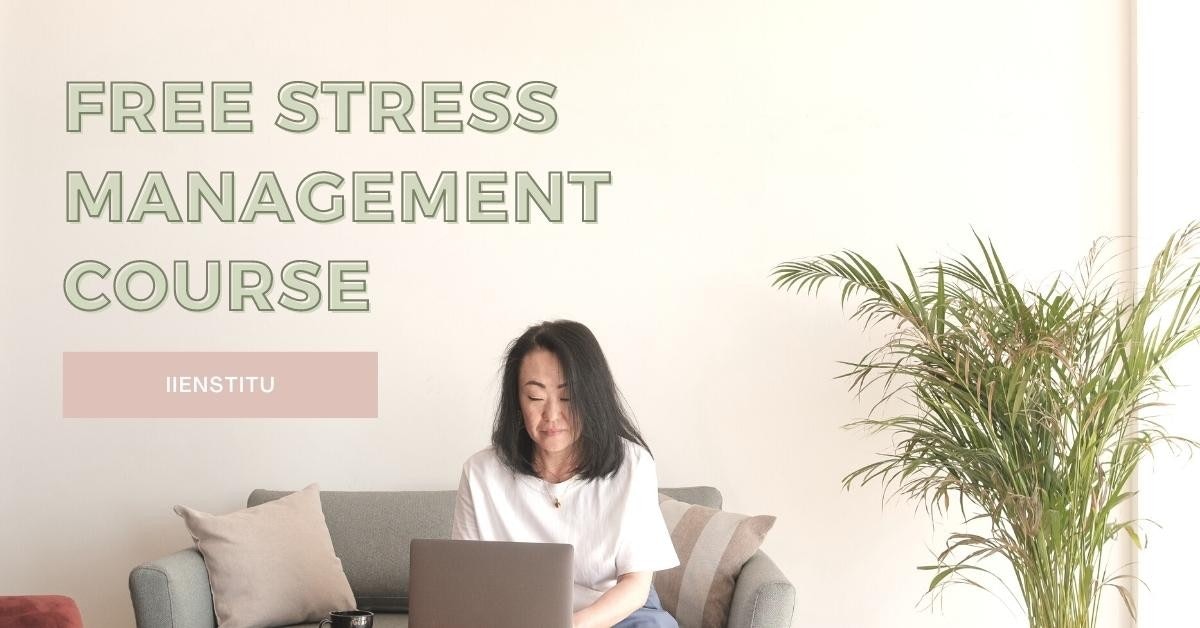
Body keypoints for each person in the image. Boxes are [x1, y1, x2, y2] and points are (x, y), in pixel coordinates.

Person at [451, 320, 680, 628]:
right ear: (517, 401)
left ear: (591, 396)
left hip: (614, 611)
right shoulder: (481, 474)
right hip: (519, 617)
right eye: (535, 397)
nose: (551, 415)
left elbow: (635, 587)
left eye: (567, 397)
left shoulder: (632, 464)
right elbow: (467, 583)